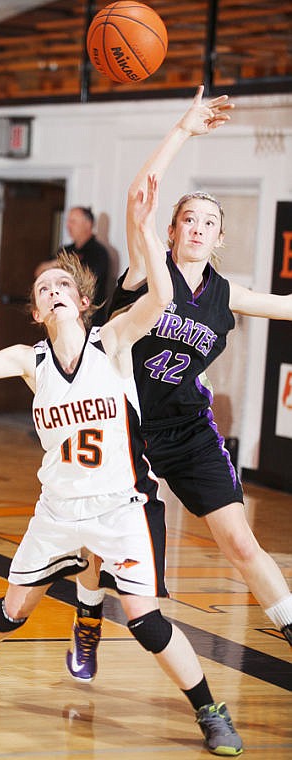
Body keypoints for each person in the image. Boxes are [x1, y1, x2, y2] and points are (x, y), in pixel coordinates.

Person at [0, 178, 243, 757]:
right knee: (14, 609)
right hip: (58, 510)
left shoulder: (112, 342)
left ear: (84, 301)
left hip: (121, 506)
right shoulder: (28, 359)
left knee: (146, 621)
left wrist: (145, 230)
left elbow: (162, 299)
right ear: (38, 311)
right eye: (43, 289)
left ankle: (210, 711)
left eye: (62, 283)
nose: (53, 291)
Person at [66, 85, 292, 685]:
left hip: (189, 427)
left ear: (221, 238)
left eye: (209, 221)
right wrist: (183, 131)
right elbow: (140, 196)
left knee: (240, 541)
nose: (198, 226)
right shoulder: (149, 268)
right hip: (125, 427)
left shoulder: (228, 294)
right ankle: (88, 616)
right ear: (171, 232)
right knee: (103, 551)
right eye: (188, 218)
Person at [36, 206, 111, 325]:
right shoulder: (66, 250)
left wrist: (60, 267)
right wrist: (56, 264)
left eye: (73, 221)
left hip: (90, 320)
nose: (68, 225)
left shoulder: (98, 252)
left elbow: (86, 281)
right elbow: (40, 272)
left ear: (88, 224)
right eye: (68, 221)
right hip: (63, 318)